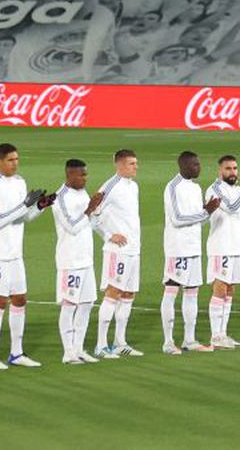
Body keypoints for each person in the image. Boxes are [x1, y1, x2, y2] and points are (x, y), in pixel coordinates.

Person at [0, 143, 53, 370]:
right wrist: (25, 204)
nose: (15, 163)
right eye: (11, 160)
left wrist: (40, 206)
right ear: (0, 162)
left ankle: (16, 352)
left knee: (20, 299)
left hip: (15, 253)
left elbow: (23, 218)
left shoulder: (21, 182)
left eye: (16, 159)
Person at [161, 152, 223, 354]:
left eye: (199, 164)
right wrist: (205, 212)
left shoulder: (196, 188)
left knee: (192, 293)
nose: (199, 167)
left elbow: (199, 220)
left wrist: (208, 212)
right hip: (177, 248)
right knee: (171, 291)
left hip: (194, 247)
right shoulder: (172, 187)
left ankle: (189, 339)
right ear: (184, 165)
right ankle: (168, 342)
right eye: (195, 165)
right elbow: (177, 219)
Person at [90, 149, 143, 358]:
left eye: (136, 163)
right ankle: (101, 345)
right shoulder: (109, 187)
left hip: (133, 249)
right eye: (131, 163)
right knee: (113, 293)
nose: (136, 167)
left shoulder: (134, 186)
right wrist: (108, 235)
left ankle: (120, 342)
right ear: (119, 166)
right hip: (117, 251)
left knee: (129, 294)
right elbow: (92, 215)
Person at [53, 159, 104, 364]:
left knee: (86, 304)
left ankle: (79, 349)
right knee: (69, 305)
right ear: (70, 175)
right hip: (69, 260)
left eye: (86, 174)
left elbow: (88, 223)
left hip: (86, 259)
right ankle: (68, 352)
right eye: (81, 175)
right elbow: (72, 226)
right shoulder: (59, 198)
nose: (85, 178)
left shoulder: (82, 193)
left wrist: (95, 211)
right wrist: (90, 208)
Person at [205, 155, 240, 350]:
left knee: (230, 290)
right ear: (220, 171)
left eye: (234, 168)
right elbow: (232, 207)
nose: (232, 172)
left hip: (235, 247)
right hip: (220, 247)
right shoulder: (214, 189)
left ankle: (223, 334)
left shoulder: (238, 190)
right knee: (220, 289)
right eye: (228, 169)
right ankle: (215, 336)